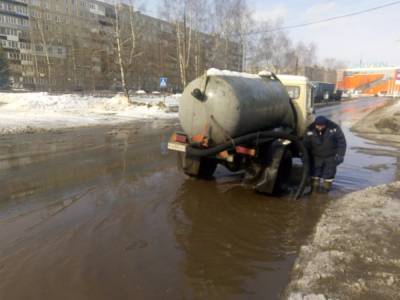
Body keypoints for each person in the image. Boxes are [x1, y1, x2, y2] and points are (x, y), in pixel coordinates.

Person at [304, 116, 347, 192]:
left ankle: (326, 191)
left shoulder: (334, 128)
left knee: (329, 176)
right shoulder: (310, 129)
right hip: (316, 157)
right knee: (314, 175)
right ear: (315, 124)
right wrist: (304, 156)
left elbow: (342, 142)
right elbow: (305, 144)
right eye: (318, 126)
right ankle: (314, 192)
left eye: (322, 126)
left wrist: (340, 155)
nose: (319, 128)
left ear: (325, 124)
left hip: (330, 156)